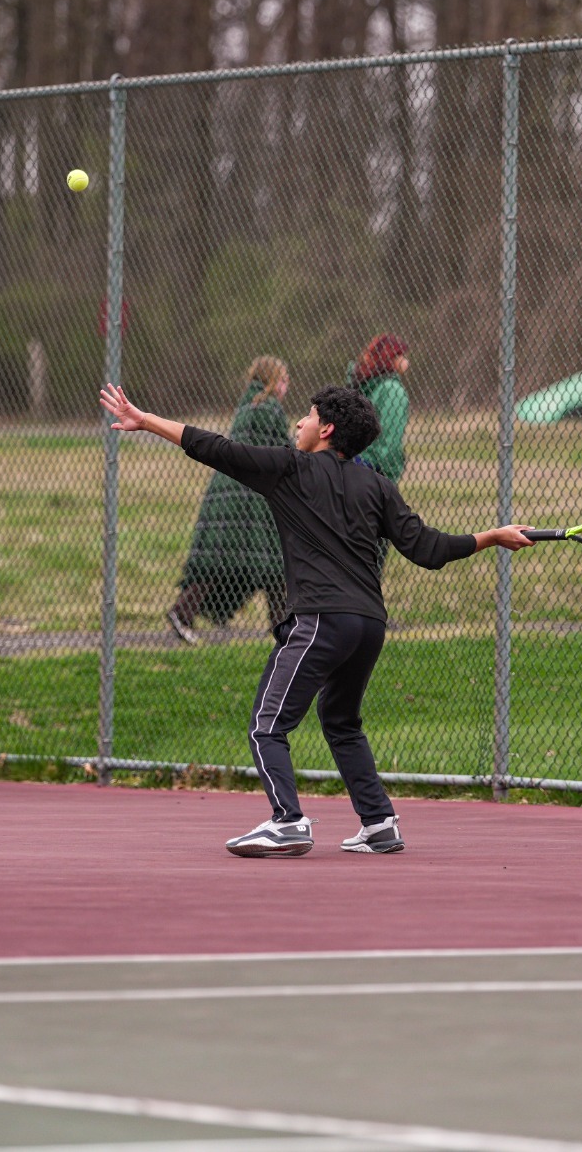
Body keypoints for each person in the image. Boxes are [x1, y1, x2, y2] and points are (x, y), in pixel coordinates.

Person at [100, 380, 532, 857]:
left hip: (322, 620)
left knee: (267, 724)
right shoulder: (378, 486)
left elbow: (214, 448)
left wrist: (146, 422)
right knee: (340, 719)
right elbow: (428, 549)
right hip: (368, 626)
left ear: (325, 429)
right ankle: (379, 823)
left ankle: (288, 821)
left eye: (305, 417)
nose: (297, 424)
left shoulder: (290, 469)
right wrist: (491, 536)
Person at [166, 356, 294, 644]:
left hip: (230, 490)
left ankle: (184, 611)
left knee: (222, 558)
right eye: (284, 380)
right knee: (273, 559)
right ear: (273, 381)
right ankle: (280, 626)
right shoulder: (270, 408)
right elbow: (282, 451)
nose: (287, 387)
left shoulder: (247, 407)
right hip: (249, 498)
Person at [348, 333, 410, 483]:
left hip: (353, 461)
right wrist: (390, 474)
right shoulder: (392, 389)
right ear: (391, 358)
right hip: (376, 468)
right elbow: (390, 438)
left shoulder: (366, 385)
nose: (407, 361)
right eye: (401, 355)